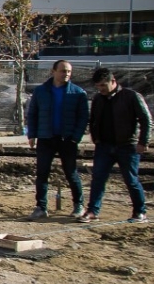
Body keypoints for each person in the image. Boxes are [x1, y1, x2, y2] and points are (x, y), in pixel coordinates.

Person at [81, 68, 150, 224]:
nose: (101, 89)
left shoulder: (131, 96)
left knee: (131, 180)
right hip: (104, 146)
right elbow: (93, 120)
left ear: (113, 81)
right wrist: (95, 136)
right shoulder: (98, 99)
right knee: (98, 178)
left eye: (103, 85)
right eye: (98, 86)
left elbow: (146, 120)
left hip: (127, 145)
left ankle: (140, 212)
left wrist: (143, 141)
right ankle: (92, 211)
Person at [26, 60, 88, 219]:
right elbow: (33, 113)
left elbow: (83, 118)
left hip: (67, 139)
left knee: (71, 173)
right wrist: (32, 134)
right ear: (53, 71)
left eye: (68, 71)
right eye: (63, 71)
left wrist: (76, 137)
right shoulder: (41, 91)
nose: (66, 74)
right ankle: (41, 207)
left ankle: (78, 205)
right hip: (46, 137)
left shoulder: (78, 93)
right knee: (42, 173)